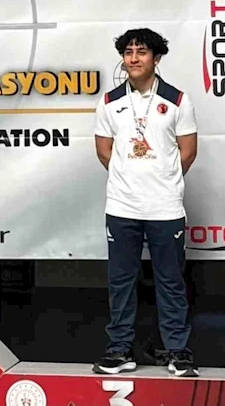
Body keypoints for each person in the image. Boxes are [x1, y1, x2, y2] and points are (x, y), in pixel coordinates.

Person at [93, 28, 198, 377]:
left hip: (165, 207)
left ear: (156, 57)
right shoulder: (109, 101)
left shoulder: (177, 100)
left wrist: (162, 180)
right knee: (121, 281)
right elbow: (103, 150)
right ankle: (120, 350)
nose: (134, 58)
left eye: (141, 52)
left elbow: (188, 151)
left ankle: (178, 352)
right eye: (128, 52)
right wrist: (129, 178)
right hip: (121, 207)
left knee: (171, 281)